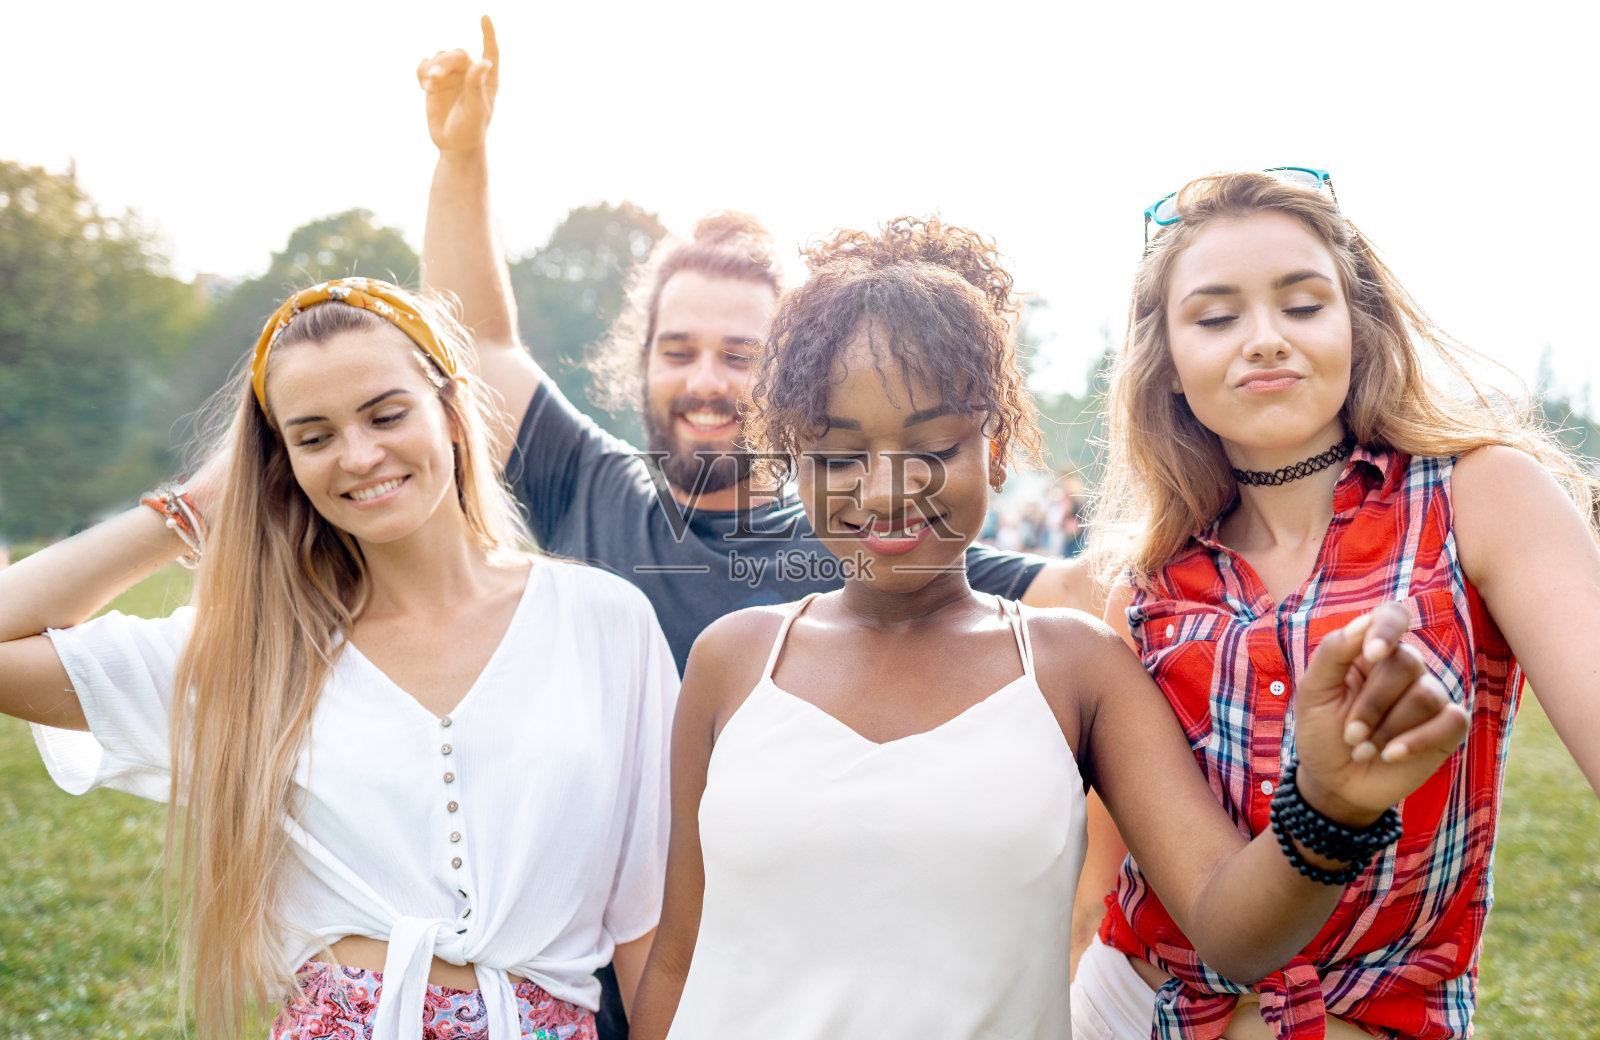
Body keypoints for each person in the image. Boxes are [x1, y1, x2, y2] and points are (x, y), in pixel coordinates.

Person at [624, 217, 1470, 1040]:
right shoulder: (732, 663)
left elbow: (1228, 926)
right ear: (791, 460)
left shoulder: (1075, 668)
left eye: (934, 446)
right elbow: (678, 960)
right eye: (840, 457)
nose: (884, 491)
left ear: (996, 450)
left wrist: (1327, 805)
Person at [0, 278, 676, 1039]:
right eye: (314, 436)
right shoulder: (253, 653)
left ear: (452, 412)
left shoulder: (603, 622)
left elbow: (649, 925)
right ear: (280, 462)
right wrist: (186, 511)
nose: (359, 456)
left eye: (387, 415)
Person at [1073, 169, 1600, 1039]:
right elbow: (1116, 870)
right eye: (1215, 317)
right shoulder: (1140, 586)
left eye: (1303, 304)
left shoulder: (1482, 497)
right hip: (1131, 1009)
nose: (1265, 339)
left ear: (1358, 325)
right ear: (1166, 363)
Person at [415, 17, 1096, 679]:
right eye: (678, 351)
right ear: (642, 359)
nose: (706, 382)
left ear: (795, 383)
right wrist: (460, 156)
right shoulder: (589, 489)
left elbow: (1079, 595)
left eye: (741, 356)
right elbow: (469, 342)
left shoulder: (858, 529)